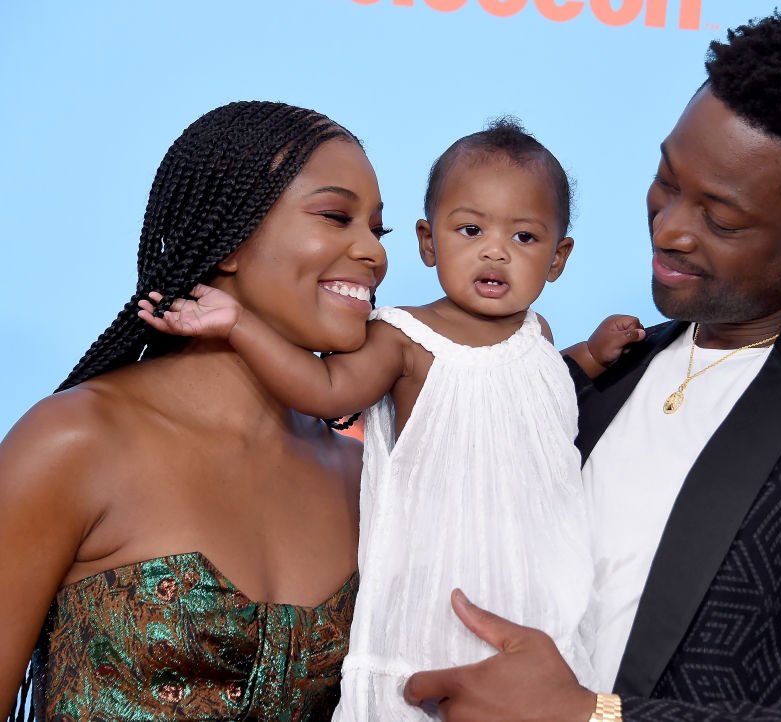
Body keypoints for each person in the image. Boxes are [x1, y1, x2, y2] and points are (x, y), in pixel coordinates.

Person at [401, 11, 781, 722]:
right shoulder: (607, 367)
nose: (669, 228)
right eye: (667, 180)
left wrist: (592, 717)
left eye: (721, 218)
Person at [138, 118, 642, 721]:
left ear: (558, 258)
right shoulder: (402, 339)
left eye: (526, 238)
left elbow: (533, 389)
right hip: (440, 591)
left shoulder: (538, 336)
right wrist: (239, 325)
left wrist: (590, 357)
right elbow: (324, 389)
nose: (495, 250)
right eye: (471, 229)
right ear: (429, 243)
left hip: (542, 587)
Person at [0, 101, 386, 721]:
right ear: (230, 238)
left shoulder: (368, 479)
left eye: (377, 229)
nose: (372, 252)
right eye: (337, 217)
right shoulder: (75, 441)